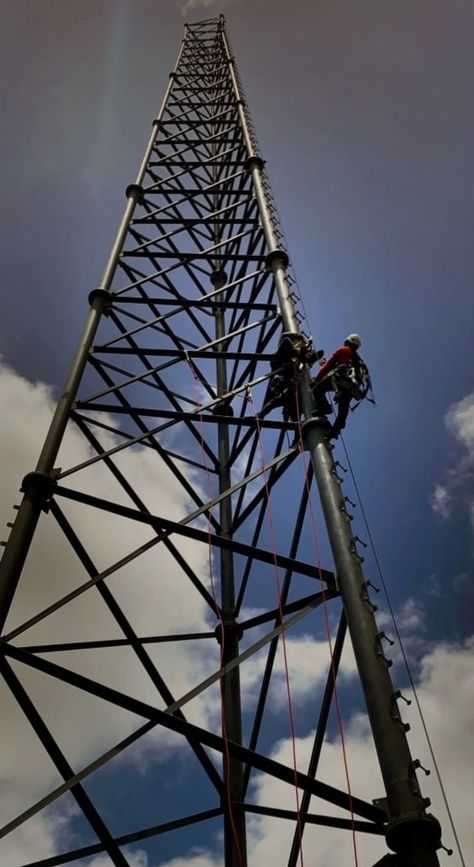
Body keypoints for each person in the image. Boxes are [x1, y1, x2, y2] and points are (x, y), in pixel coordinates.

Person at [311, 333, 370, 439]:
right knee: (343, 408)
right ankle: (334, 432)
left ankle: (325, 409)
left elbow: (328, 366)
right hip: (352, 386)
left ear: (348, 341)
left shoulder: (343, 350)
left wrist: (317, 379)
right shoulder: (358, 359)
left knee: (317, 390)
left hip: (340, 379)